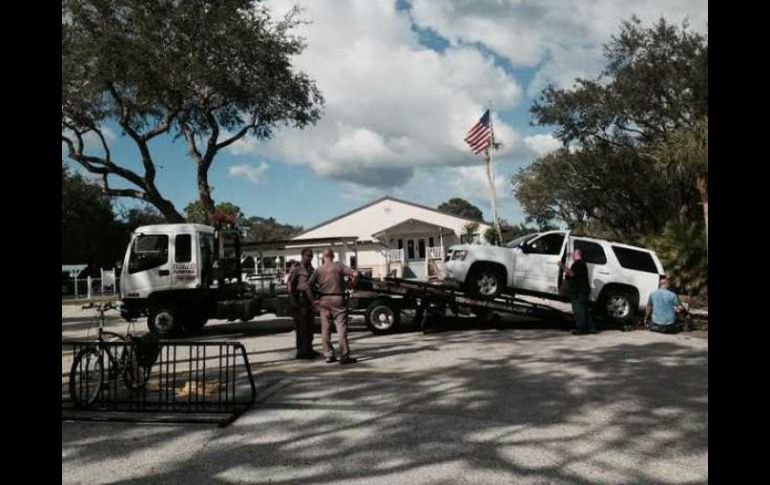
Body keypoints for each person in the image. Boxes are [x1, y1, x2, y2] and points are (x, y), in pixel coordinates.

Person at [305, 248, 358, 365]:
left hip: (323, 300)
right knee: (341, 328)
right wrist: (352, 284)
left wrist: (313, 301)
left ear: (323, 257)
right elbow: (355, 273)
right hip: (338, 299)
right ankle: (344, 355)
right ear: (333, 256)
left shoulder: (319, 270)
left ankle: (328, 355)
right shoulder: (339, 266)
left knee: (325, 329)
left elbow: (307, 286)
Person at [287, 249, 320, 359]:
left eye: (311, 256)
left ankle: (308, 348)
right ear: (302, 255)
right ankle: (301, 351)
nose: (310, 258)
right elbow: (290, 283)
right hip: (300, 300)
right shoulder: (297, 268)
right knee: (301, 327)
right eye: (308, 255)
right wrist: (292, 299)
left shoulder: (311, 269)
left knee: (310, 326)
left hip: (309, 300)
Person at [560, 248, 596, 335]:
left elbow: (572, 273)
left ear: (576, 254)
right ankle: (591, 328)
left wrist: (562, 266)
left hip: (579, 291)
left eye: (573, 254)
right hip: (582, 291)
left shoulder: (579, 264)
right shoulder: (581, 264)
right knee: (584, 309)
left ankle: (581, 329)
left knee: (579, 310)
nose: (572, 256)